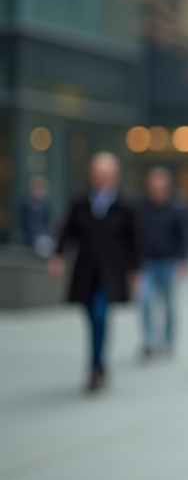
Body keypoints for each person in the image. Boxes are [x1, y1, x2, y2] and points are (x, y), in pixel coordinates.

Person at [48, 153, 144, 392]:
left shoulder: (125, 204)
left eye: (105, 175)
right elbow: (67, 230)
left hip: (111, 270)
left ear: (114, 176)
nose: (100, 179)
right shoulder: (80, 201)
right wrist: (57, 255)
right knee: (91, 316)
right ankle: (98, 363)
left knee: (100, 314)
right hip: (86, 270)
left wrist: (135, 271)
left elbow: (136, 240)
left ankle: (96, 367)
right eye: (97, 175)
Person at [138, 167, 188, 358]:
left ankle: (169, 341)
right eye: (154, 188)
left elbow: (184, 234)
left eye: (161, 188)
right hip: (147, 264)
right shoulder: (141, 208)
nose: (157, 192)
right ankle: (149, 341)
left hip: (169, 262)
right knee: (144, 301)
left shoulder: (176, 208)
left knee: (169, 305)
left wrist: (183, 259)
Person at [20, 174, 54, 256]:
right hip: (29, 236)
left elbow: (48, 219)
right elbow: (23, 221)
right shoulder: (25, 203)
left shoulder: (46, 204)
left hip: (43, 234)